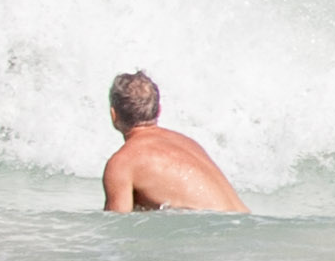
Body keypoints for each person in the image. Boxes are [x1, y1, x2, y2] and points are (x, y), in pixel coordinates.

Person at [101, 71, 249, 214]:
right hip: (245, 221)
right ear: (159, 110)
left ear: (113, 114)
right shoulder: (188, 143)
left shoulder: (122, 163)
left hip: (218, 226)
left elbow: (116, 225)